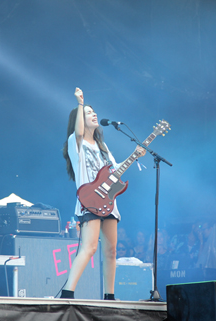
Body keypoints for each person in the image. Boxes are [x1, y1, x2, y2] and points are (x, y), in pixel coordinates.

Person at [61, 87, 146, 299]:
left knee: (111, 251)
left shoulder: (102, 146)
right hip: (89, 199)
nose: (94, 114)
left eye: (93, 111)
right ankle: (67, 292)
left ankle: (110, 296)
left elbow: (115, 170)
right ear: (79, 118)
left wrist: (134, 156)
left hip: (108, 201)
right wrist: (81, 102)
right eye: (89, 113)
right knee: (89, 248)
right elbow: (80, 132)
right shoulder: (75, 141)